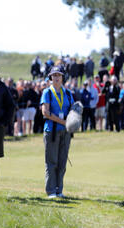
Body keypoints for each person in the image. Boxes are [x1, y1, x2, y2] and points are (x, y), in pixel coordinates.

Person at [40, 66, 75, 199]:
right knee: (52, 162)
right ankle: (51, 191)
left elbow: (73, 110)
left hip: (65, 132)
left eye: (58, 75)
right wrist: (63, 122)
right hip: (51, 131)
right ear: (50, 78)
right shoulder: (47, 92)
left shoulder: (68, 93)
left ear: (62, 77)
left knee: (62, 163)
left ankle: (59, 190)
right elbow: (46, 112)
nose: (56, 77)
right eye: (53, 75)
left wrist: (74, 119)